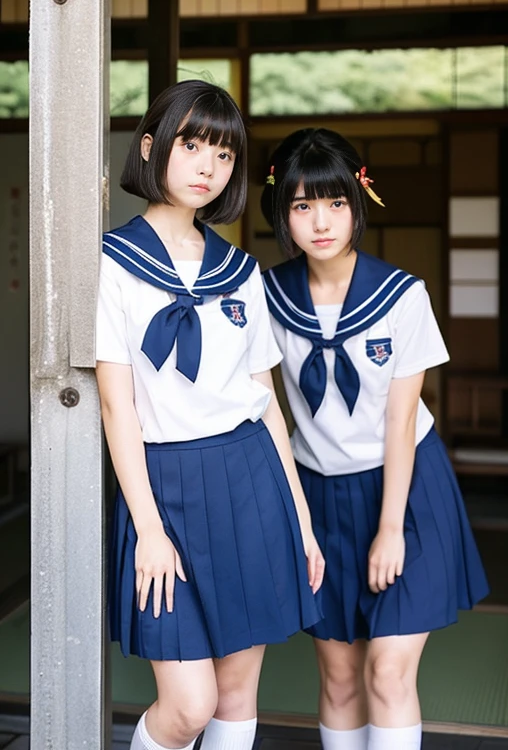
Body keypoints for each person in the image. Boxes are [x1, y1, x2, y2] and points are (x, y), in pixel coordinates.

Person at [95, 82, 324, 750]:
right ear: (150, 149)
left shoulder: (241, 273)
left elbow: (266, 403)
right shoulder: (115, 264)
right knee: (188, 705)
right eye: (191, 145)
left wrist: (302, 522)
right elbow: (116, 404)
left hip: (251, 480)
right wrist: (148, 530)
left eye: (223, 154)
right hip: (162, 488)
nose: (206, 166)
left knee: (234, 694)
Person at [260, 127, 489, 750]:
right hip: (321, 496)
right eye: (303, 206)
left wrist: (390, 528)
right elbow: (263, 404)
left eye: (335, 203)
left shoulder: (402, 296)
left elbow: (400, 419)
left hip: (407, 491)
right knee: (338, 678)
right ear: (282, 213)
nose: (321, 222)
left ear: (359, 203)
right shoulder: (265, 296)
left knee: (387, 671)